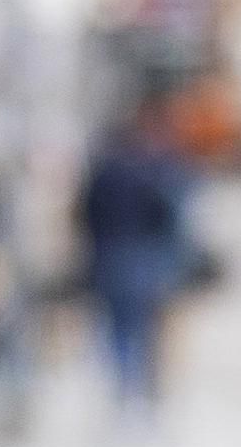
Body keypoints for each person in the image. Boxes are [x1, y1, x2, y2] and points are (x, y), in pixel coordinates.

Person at [77, 103, 193, 419]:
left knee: (117, 323)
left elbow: (86, 215)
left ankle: (124, 382)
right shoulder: (149, 171)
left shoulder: (102, 173)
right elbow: (165, 216)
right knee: (142, 323)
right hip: (141, 257)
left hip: (110, 256)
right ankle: (139, 383)